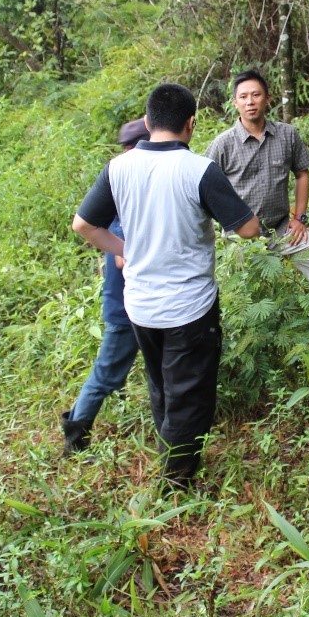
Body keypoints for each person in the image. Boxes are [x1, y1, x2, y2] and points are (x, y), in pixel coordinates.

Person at [72, 84, 260, 490]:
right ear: (191, 124)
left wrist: (127, 250)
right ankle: (176, 483)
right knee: (190, 396)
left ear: (146, 122)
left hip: (140, 304)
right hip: (189, 308)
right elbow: (247, 228)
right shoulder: (198, 170)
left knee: (160, 386)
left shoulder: (118, 168)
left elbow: (84, 225)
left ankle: (169, 460)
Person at [205, 69, 309, 307]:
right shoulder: (223, 144)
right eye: (243, 97)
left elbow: (302, 173)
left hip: (283, 230)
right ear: (235, 103)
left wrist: (300, 218)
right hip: (239, 238)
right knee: (245, 297)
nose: (250, 102)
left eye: (256, 95)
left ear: (267, 98)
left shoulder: (286, 134)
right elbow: (206, 190)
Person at [61, 118, 150, 456]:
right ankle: (75, 437)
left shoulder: (121, 193)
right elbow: (121, 259)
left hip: (131, 306)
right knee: (106, 376)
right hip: (127, 310)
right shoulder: (125, 199)